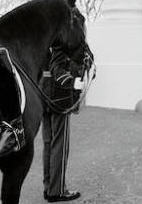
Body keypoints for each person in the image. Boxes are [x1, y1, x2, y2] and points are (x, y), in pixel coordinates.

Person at [40, 45, 87, 202]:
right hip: (58, 97)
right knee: (60, 144)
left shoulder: (43, 36)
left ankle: (49, 186)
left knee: (49, 143)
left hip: (43, 93)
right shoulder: (61, 40)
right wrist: (73, 82)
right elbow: (57, 68)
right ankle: (57, 191)